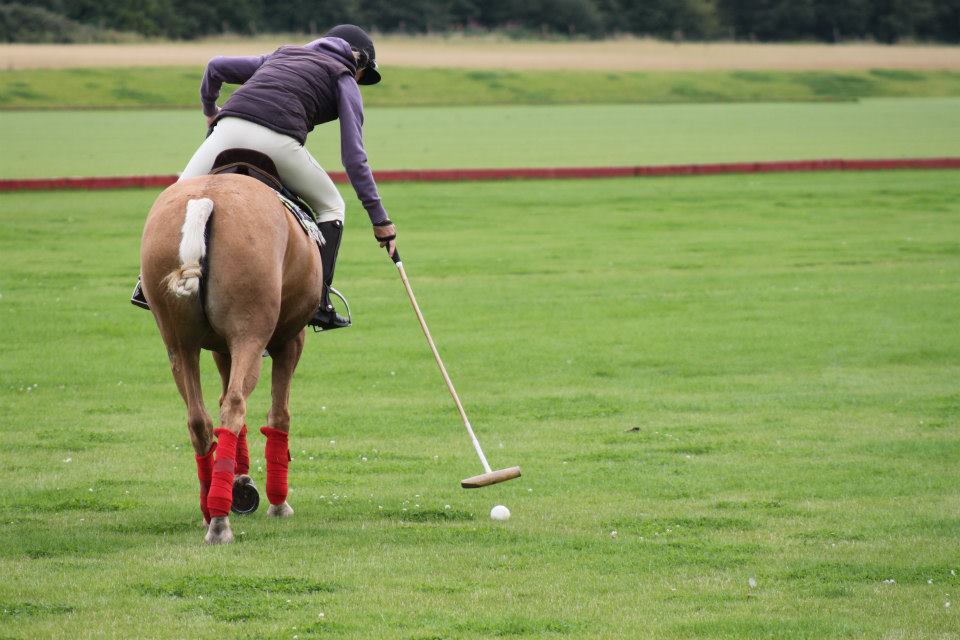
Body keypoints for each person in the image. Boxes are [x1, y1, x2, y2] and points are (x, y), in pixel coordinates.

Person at [132, 24, 396, 331]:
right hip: (278, 141)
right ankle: (320, 302)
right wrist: (380, 220)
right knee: (333, 206)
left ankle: (145, 284)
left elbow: (215, 66)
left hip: (226, 131)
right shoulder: (345, 77)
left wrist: (209, 110)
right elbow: (354, 156)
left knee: (175, 198)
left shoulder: (281, 54)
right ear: (359, 62)